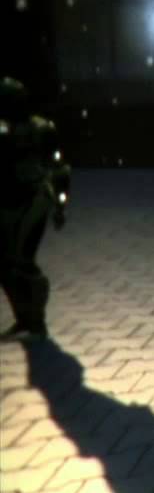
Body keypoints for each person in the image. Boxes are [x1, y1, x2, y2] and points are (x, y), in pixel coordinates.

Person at [0, 77, 70, 342]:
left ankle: (37, 322)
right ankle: (25, 319)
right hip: (7, 201)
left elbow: (59, 168)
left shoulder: (42, 129)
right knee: (5, 265)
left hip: (35, 199)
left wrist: (60, 205)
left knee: (24, 262)